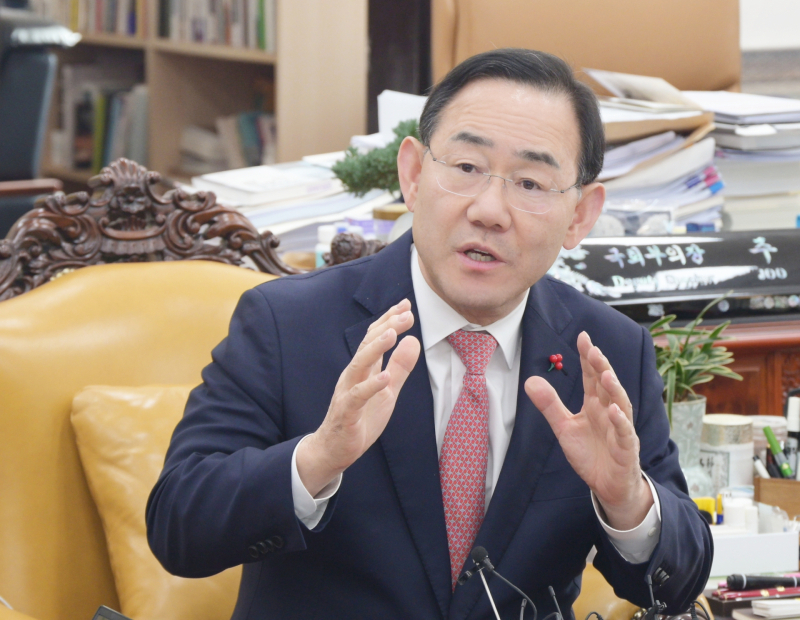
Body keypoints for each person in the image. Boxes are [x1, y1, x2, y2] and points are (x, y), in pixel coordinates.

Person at [147, 48, 712, 620]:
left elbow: (679, 584)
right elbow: (178, 526)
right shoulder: (287, 323)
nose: (489, 210)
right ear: (414, 175)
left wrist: (627, 501)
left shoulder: (607, 352)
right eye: (466, 168)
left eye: (531, 182)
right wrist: (315, 460)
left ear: (581, 216)